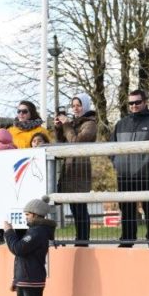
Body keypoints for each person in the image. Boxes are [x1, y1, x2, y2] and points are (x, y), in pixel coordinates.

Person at [110, 89, 149, 248]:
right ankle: (127, 239)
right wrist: (118, 163)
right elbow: (111, 148)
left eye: (138, 102)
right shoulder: (120, 124)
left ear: (145, 102)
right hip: (124, 174)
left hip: (146, 174)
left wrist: (148, 162)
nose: (134, 105)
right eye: (131, 103)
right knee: (126, 209)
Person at [53, 93, 98, 246]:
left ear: (85, 105)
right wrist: (59, 128)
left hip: (80, 171)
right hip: (69, 170)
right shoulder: (73, 124)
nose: (75, 108)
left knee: (80, 207)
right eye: (73, 106)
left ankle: (83, 240)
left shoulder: (90, 124)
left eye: (78, 105)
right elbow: (60, 142)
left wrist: (66, 125)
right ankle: (80, 239)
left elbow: (76, 142)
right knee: (74, 207)